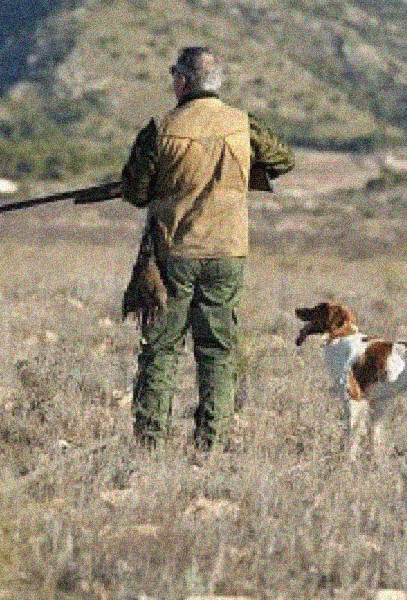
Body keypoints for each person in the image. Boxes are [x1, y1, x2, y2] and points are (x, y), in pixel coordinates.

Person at [120, 46, 295, 451]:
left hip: (173, 254)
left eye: (173, 78)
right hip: (228, 253)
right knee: (217, 351)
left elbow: (134, 191)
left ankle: (150, 444)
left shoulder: (160, 128)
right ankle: (212, 444)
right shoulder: (243, 124)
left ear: (182, 82)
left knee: (161, 349)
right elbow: (282, 160)